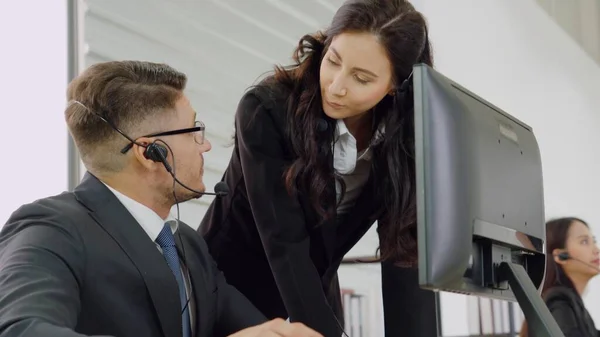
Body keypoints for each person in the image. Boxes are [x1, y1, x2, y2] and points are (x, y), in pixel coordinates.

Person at [0, 61, 322, 337]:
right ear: (150, 153)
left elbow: (258, 329)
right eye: (194, 130)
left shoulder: (187, 246)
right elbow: (20, 330)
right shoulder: (51, 228)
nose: (205, 146)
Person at [198, 0, 435, 335]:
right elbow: (285, 242)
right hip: (229, 284)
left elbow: (404, 257)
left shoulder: (406, 141)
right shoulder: (267, 111)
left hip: (312, 287)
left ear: (396, 85)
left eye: (361, 78)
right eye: (333, 61)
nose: (336, 86)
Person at [521, 217, 600, 337]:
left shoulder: (571, 302)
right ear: (560, 256)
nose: (596, 249)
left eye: (593, 241)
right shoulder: (559, 301)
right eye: (584, 242)